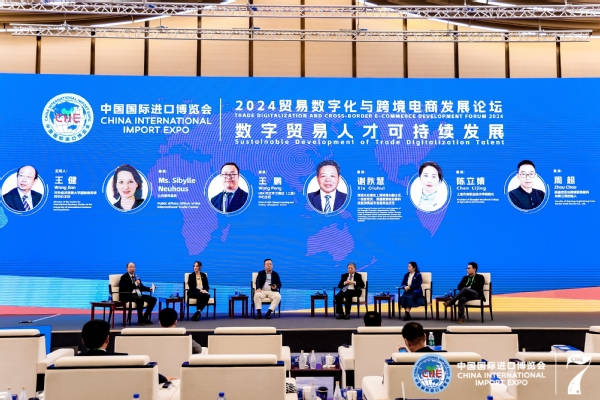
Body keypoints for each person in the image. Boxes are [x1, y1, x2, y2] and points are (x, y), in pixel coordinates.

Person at [79, 319, 175, 382]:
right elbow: (147, 375)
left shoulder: (71, 361)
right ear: (107, 339)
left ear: (83, 340)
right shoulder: (123, 360)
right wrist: (164, 378)